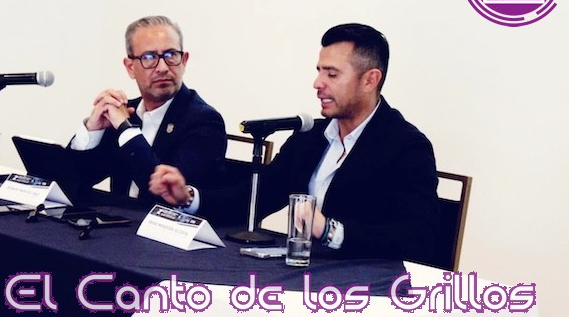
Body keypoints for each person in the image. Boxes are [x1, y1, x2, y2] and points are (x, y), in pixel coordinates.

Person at [149, 23, 439, 261]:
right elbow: (258, 197)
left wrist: (331, 231)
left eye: (332, 74)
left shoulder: (406, 147)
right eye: (319, 71)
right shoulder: (310, 137)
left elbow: (419, 238)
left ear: (370, 80)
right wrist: (189, 197)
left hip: (363, 289)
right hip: (300, 277)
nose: (317, 83)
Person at [68, 15, 227, 205]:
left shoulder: (204, 121)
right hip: (117, 221)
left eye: (171, 55)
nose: (162, 67)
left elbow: (166, 195)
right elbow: (74, 180)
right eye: (149, 57)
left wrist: (125, 130)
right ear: (130, 67)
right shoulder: (128, 112)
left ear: (184, 61)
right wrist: (93, 130)